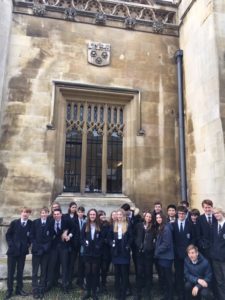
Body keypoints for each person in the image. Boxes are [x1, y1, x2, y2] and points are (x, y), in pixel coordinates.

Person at [4, 207, 32, 300]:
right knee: (11, 272)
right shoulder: (14, 223)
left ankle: (19, 289)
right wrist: (11, 245)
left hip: (22, 253)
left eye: (27, 213)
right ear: (21, 213)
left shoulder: (30, 224)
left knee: (20, 271)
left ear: (29, 214)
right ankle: (10, 290)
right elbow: (8, 235)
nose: (25, 214)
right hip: (12, 252)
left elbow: (31, 236)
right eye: (24, 212)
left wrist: (28, 244)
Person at [46, 208, 74, 293]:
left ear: (61, 214)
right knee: (52, 266)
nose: (56, 215)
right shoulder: (50, 222)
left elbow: (74, 228)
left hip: (64, 247)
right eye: (55, 214)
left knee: (64, 267)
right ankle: (49, 284)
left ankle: (64, 286)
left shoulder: (66, 221)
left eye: (58, 214)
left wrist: (69, 235)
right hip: (53, 248)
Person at [108, 208, 133, 300]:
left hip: (124, 252)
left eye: (120, 215)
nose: (118, 216)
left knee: (124, 274)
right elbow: (109, 237)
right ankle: (117, 293)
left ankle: (123, 293)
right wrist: (112, 243)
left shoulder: (128, 225)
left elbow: (131, 237)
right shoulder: (113, 225)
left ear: (123, 215)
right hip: (116, 252)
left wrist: (127, 246)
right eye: (117, 215)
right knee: (117, 274)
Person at [173, 206, 194, 300]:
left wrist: (190, 250)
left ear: (186, 214)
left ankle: (188, 294)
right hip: (176, 254)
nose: (181, 215)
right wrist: (175, 251)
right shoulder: (172, 225)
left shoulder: (191, 225)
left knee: (188, 274)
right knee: (178, 274)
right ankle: (180, 293)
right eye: (180, 213)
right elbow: (171, 240)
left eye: (183, 214)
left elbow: (194, 238)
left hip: (188, 255)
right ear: (177, 214)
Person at [30, 207, 52, 299]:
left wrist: (44, 248)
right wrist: (37, 247)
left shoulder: (50, 223)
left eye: (45, 213)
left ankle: (41, 289)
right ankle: (35, 289)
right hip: (36, 251)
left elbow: (51, 237)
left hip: (45, 252)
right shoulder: (35, 222)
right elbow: (32, 236)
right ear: (40, 213)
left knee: (43, 271)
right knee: (35, 271)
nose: (44, 214)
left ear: (48, 214)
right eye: (42, 213)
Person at [81, 209, 103, 300]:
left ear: (96, 215)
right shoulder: (85, 225)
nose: (92, 216)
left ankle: (94, 292)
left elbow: (102, 238)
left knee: (95, 272)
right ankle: (88, 291)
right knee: (87, 272)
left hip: (96, 253)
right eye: (91, 214)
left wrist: (98, 245)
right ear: (88, 215)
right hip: (87, 252)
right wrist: (85, 244)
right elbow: (81, 237)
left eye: (94, 214)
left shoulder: (100, 225)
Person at [134, 211, 155, 300]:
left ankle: (148, 293)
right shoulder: (139, 225)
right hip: (139, 254)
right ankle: (138, 293)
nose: (148, 218)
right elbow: (135, 236)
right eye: (147, 216)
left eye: (150, 217)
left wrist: (151, 246)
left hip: (148, 254)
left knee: (148, 273)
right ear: (144, 217)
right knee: (139, 273)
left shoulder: (153, 227)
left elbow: (155, 238)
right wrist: (138, 243)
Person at [155, 212, 174, 300]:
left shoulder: (166, 228)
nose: (158, 219)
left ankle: (170, 296)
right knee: (165, 277)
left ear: (163, 218)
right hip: (162, 256)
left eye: (160, 217)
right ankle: (167, 295)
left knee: (168, 277)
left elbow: (166, 244)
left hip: (166, 257)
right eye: (157, 218)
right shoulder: (161, 227)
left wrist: (157, 251)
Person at [64, 201, 80, 289]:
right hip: (65, 243)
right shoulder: (65, 216)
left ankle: (69, 282)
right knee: (65, 263)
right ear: (70, 207)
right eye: (73, 207)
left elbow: (77, 229)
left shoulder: (78, 217)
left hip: (74, 244)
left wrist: (71, 235)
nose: (74, 209)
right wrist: (66, 235)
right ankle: (65, 281)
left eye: (75, 207)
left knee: (71, 264)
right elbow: (64, 227)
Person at [211, 207, 225, 300]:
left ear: (222, 213)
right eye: (214, 213)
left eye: (217, 213)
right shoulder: (214, 225)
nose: (216, 215)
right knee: (219, 282)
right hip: (215, 258)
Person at [76, 206, 87, 289]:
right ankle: (79, 280)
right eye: (79, 212)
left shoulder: (86, 220)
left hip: (84, 245)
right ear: (77, 212)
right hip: (76, 244)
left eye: (82, 212)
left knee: (83, 263)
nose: (80, 213)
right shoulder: (74, 220)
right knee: (79, 264)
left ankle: (82, 281)